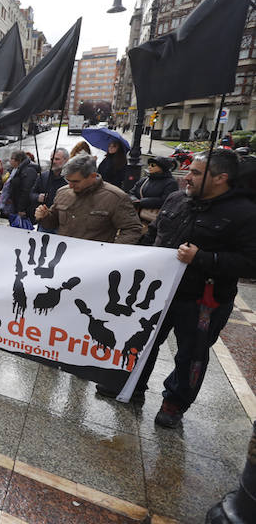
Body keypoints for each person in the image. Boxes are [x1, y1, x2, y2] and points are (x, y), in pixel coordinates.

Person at [106, 150, 256, 428]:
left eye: (196, 173)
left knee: (191, 354)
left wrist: (203, 258)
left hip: (203, 300)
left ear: (221, 178)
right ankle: (132, 385)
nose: (186, 177)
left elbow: (250, 263)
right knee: (142, 341)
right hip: (159, 292)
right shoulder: (176, 199)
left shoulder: (244, 213)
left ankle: (174, 403)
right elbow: (154, 234)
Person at [34, 154, 142, 244]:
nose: (70, 186)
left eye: (76, 181)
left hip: (94, 261)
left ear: (92, 176)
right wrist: (45, 216)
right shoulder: (63, 192)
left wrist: (112, 252)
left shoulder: (116, 197)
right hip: (63, 257)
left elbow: (132, 229)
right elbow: (53, 223)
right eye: (68, 181)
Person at [129, 156, 178, 223]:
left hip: (153, 218)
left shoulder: (171, 183)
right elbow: (131, 192)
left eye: (153, 165)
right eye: (149, 165)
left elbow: (166, 200)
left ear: (162, 167)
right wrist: (134, 200)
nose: (149, 167)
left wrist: (142, 202)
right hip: (136, 215)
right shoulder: (144, 180)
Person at [31, 148, 69, 234]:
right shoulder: (43, 176)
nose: (53, 162)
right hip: (44, 222)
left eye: (57, 159)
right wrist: (37, 197)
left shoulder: (70, 179)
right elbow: (31, 194)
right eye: (52, 159)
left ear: (66, 160)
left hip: (61, 223)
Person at [2, 151, 39, 225]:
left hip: (22, 207)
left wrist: (21, 209)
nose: (10, 160)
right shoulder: (14, 169)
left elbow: (26, 191)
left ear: (18, 160)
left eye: (12, 158)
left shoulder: (29, 171)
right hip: (13, 205)